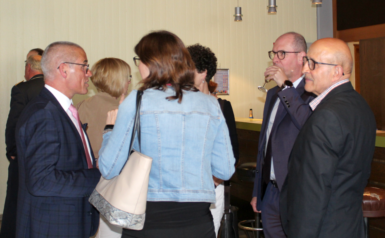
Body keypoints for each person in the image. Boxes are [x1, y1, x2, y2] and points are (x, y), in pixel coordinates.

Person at [98, 31, 235, 238]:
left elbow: (108, 168)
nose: (138, 67)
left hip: (148, 222)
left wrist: (109, 130)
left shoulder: (136, 100)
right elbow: (225, 170)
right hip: (197, 222)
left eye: (139, 60)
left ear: (151, 63)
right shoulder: (210, 105)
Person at [280, 38, 376, 238]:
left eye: (313, 64)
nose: (305, 69)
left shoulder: (327, 115)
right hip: (350, 225)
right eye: (306, 61)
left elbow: (312, 193)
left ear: (337, 71)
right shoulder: (361, 106)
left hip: (323, 228)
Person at [15, 41, 101, 238]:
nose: (89, 73)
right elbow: (42, 181)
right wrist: (97, 175)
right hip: (52, 227)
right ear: (63, 69)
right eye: (85, 66)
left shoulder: (59, 109)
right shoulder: (45, 113)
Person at [250, 32, 315, 238]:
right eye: (274, 53)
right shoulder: (272, 93)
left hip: (297, 193)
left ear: (301, 57)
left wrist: (286, 86)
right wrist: (257, 192)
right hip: (270, 192)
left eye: (281, 53)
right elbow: (264, 145)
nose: (275, 58)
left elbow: (307, 124)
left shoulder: (313, 91)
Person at [187, 43, 239, 236]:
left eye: (187, 68)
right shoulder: (181, 106)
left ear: (203, 73)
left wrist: (214, 180)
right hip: (185, 187)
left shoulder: (222, 107)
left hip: (213, 187)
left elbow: (233, 152)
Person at [76, 57, 132, 238]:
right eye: (128, 77)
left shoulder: (80, 106)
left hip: (84, 183)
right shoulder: (123, 111)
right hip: (113, 187)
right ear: (118, 80)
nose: (130, 81)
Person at [1, 54, 45, 238]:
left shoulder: (22, 89)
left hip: (23, 155)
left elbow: (14, 123)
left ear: (28, 67)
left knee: (14, 202)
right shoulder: (56, 87)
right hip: (46, 156)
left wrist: (11, 151)